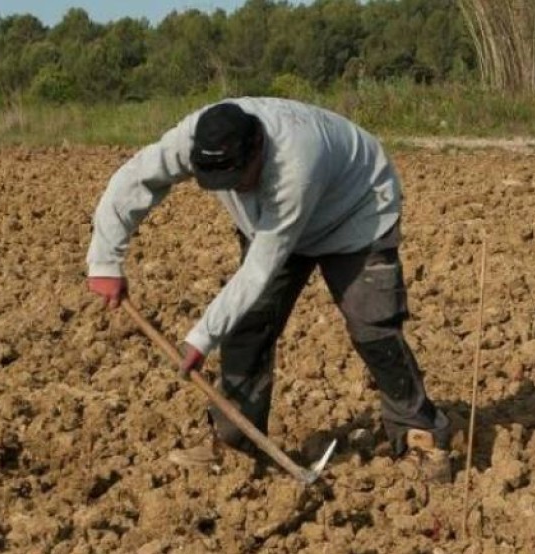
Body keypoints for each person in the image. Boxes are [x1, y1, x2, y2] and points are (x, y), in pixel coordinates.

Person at [85, 97, 452, 483]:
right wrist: (105, 260)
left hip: (356, 213)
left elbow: (261, 266)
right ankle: (235, 444)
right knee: (247, 326)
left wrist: (201, 338)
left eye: (239, 179)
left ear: (258, 148)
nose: (235, 191)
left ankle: (421, 434)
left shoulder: (296, 162)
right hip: (270, 224)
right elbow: (134, 178)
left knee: (373, 327)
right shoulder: (194, 139)